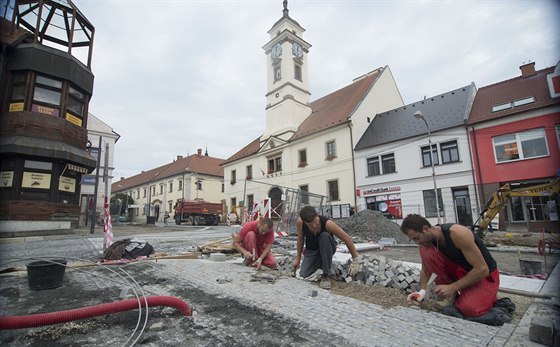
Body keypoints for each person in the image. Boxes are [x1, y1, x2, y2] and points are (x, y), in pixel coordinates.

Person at [400, 214, 511, 323]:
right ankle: (451, 296)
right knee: (426, 251)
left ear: (426, 229)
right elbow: (425, 270)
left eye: (417, 238)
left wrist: (453, 287)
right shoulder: (427, 241)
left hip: (483, 275)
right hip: (459, 271)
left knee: (469, 309)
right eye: (413, 240)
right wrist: (422, 293)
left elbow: (482, 269)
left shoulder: (458, 233)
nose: (417, 242)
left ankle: (487, 300)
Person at [292, 206, 360, 290]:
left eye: (315, 221)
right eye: (310, 224)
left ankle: (326, 275)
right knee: (304, 274)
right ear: (304, 222)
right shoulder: (300, 222)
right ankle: (320, 264)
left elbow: (347, 238)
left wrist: (355, 259)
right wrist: (298, 258)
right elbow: (300, 239)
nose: (314, 225)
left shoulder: (327, 223)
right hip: (312, 250)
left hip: (328, 247)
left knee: (324, 236)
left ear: (317, 215)